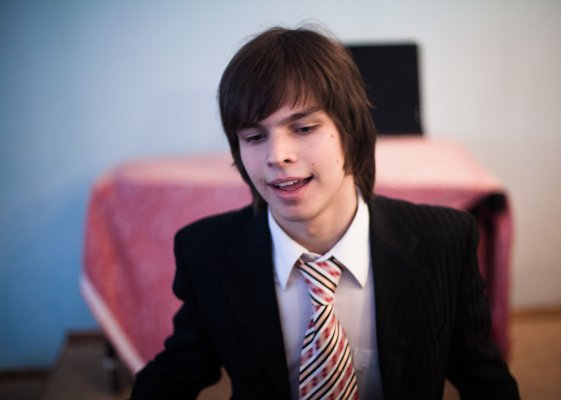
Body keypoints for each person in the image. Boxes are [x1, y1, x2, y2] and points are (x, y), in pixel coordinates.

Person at [130, 25, 520, 400]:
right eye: (254, 136)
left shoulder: (445, 241)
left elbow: (484, 381)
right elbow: (176, 374)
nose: (277, 155)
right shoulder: (206, 252)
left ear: (351, 129)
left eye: (303, 128)